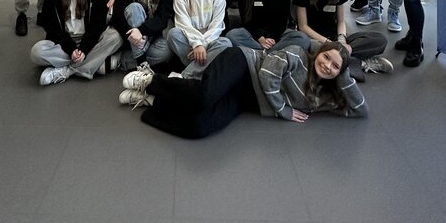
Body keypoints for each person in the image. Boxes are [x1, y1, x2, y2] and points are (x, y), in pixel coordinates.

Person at [118, 39, 366, 137]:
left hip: (248, 99)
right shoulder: (298, 55)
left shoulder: (323, 98)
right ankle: (151, 81)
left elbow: (359, 109)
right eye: (326, 57)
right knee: (204, 96)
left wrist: (343, 71)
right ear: (319, 53)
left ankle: (153, 101)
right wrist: (283, 110)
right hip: (243, 64)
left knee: (198, 128)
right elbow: (267, 75)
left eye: (335, 66)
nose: (327, 65)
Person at [293, 0, 392, 78]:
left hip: (334, 37)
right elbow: (303, 26)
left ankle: (342, 60)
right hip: (314, 41)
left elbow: (340, 21)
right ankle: (359, 63)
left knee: (380, 40)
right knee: (313, 51)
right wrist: (329, 43)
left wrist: (341, 39)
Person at [31, 0, 123, 84]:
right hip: (65, 42)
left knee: (116, 36)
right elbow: (51, 26)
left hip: (89, 40)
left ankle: (68, 70)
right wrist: (71, 49)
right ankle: (94, 63)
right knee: (37, 52)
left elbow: (98, 22)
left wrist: (84, 48)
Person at [167, 0, 231, 78]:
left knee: (226, 43)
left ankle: (187, 74)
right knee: (173, 34)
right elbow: (183, 24)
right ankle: (203, 69)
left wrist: (203, 44)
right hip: (189, 39)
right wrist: (197, 44)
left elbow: (217, 24)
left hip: (210, 38)